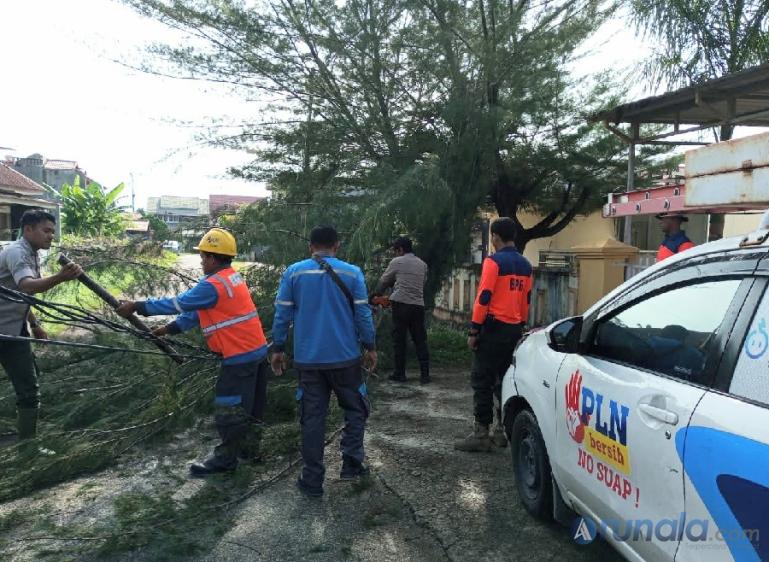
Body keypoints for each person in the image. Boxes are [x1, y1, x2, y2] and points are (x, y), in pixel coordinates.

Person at [116, 228, 269, 477]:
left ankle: (225, 460)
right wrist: (169, 328)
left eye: (203, 257)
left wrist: (137, 306)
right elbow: (198, 312)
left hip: (239, 357)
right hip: (255, 352)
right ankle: (250, 451)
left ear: (211, 258)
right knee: (253, 407)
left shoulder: (212, 285)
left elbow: (179, 303)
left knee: (229, 407)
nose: (201, 262)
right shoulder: (230, 278)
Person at [271, 225, 377, 498]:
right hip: (346, 359)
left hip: (309, 361)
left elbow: (282, 314)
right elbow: (363, 314)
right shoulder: (352, 273)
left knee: (312, 419)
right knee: (355, 409)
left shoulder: (294, 272)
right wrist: (370, 346)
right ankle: (352, 464)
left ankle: (312, 480)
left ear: (311, 247)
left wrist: (279, 348)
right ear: (337, 245)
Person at [0, 209, 83, 452]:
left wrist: (34, 324)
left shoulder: (32, 253)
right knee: (28, 388)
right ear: (28, 230)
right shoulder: (16, 252)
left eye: (52, 232)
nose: (51, 237)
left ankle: (28, 448)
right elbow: (27, 286)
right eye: (46, 231)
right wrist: (60, 277)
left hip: (14, 332)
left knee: (28, 389)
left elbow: (17, 294)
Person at [455, 217, 532, 453]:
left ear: (495, 237)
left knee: (482, 380)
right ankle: (502, 431)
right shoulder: (526, 265)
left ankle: (481, 434)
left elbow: (484, 297)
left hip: (492, 329)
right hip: (514, 330)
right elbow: (526, 300)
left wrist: (474, 329)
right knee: (505, 381)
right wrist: (521, 326)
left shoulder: (493, 262)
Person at [373, 237, 430, 384]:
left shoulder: (397, 262)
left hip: (400, 304)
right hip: (418, 305)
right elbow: (422, 283)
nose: (395, 254)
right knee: (420, 340)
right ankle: (425, 375)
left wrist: (375, 295)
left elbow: (384, 281)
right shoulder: (422, 264)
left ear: (400, 250)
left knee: (399, 340)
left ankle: (400, 374)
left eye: (395, 251)